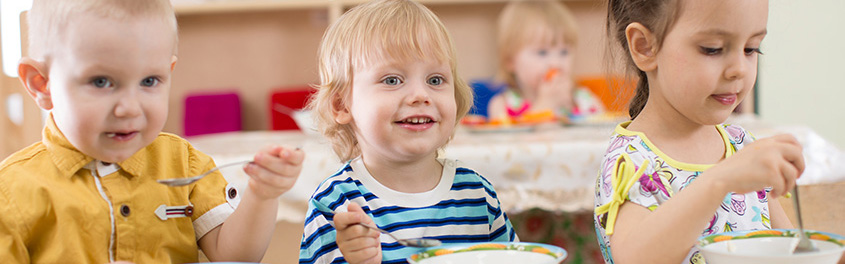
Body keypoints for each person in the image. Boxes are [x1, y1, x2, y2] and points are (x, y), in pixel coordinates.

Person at [0, 0, 304, 263]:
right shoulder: (11, 192)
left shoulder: (185, 162)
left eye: (149, 81)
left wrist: (263, 195)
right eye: (101, 82)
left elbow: (235, 257)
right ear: (42, 84)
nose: (130, 108)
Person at [298, 0, 517, 263]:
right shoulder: (335, 205)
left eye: (435, 80)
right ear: (342, 105)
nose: (420, 95)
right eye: (392, 80)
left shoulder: (477, 194)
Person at [593, 0, 806, 263]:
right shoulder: (631, 161)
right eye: (713, 49)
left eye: (751, 49)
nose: (739, 69)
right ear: (644, 46)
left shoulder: (740, 146)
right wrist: (721, 179)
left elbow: (791, 251)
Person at [486, 0, 604, 125]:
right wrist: (546, 104)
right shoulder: (501, 105)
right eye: (542, 53)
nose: (556, 63)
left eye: (564, 52)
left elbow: (604, 137)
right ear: (510, 61)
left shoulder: (585, 101)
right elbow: (513, 142)